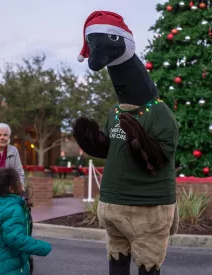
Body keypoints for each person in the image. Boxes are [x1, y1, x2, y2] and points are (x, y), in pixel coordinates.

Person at [73, 11, 179, 275]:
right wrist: (96, 144)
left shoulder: (161, 113)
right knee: (116, 262)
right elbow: (113, 148)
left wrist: (142, 143)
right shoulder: (116, 112)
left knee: (148, 264)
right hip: (114, 203)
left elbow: (162, 155)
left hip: (148, 207)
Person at [0, 168, 52, 275]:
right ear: (11, 189)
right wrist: (43, 247)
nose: (22, 185)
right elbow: (15, 239)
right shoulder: (12, 209)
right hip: (9, 268)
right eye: (19, 183)